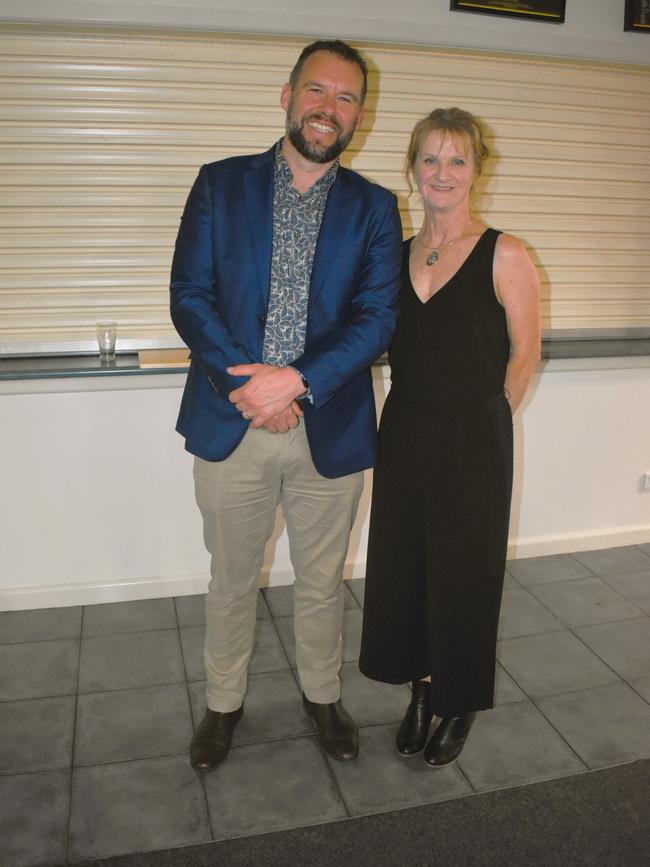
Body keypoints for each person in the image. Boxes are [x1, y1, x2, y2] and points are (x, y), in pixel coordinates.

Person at [170, 39, 402, 772]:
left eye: (345, 98)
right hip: (230, 418)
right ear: (287, 94)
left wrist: (294, 381)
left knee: (323, 578)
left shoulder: (375, 208)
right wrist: (252, 388)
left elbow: (375, 318)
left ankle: (321, 695)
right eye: (317, 90)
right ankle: (223, 702)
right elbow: (190, 296)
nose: (328, 108)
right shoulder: (219, 184)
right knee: (231, 577)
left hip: (327, 425)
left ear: (359, 115)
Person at [359, 107, 540, 766]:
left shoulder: (506, 252)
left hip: (472, 435)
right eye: (430, 158)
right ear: (413, 169)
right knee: (407, 566)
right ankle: (420, 687)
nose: (442, 172)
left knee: (465, 572)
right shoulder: (397, 254)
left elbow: (525, 352)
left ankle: (457, 699)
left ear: (476, 170)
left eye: (456, 159)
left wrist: (491, 418)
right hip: (405, 428)